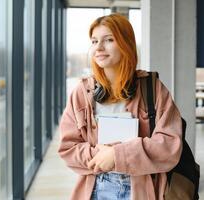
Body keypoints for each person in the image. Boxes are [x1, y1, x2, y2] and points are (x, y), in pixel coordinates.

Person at [58, 13, 183, 200]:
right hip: (96, 188)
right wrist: (101, 157)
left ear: (126, 44)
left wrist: (117, 155)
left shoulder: (153, 89)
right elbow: (68, 148)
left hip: (142, 188)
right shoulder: (81, 93)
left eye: (109, 39)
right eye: (94, 41)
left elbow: (170, 146)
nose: (99, 47)